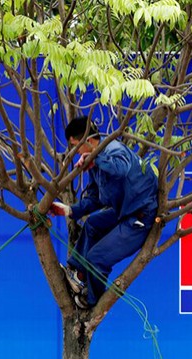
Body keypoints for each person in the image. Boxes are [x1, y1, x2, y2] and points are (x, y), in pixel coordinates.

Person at [50, 117, 158, 308]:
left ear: (89, 141)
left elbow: (121, 169)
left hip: (139, 218)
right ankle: (78, 274)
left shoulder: (114, 149)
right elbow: (95, 198)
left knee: (97, 259)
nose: (75, 152)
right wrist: (68, 210)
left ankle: (91, 301)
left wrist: (94, 158)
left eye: (76, 146)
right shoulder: (94, 162)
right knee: (92, 224)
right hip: (122, 213)